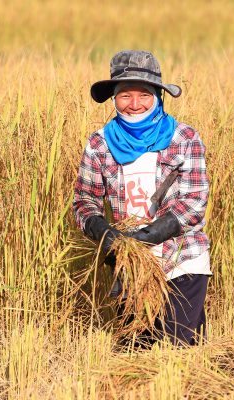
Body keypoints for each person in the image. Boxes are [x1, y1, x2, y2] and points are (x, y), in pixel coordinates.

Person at [73, 50, 211, 346]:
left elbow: (195, 202)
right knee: (137, 349)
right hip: (131, 263)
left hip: (181, 256)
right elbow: (85, 200)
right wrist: (101, 230)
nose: (134, 105)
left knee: (178, 348)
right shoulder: (99, 143)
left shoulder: (184, 138)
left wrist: (148, 235)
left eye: (144, 95)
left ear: (158, 97)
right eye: (125, 95)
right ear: (113, 98)